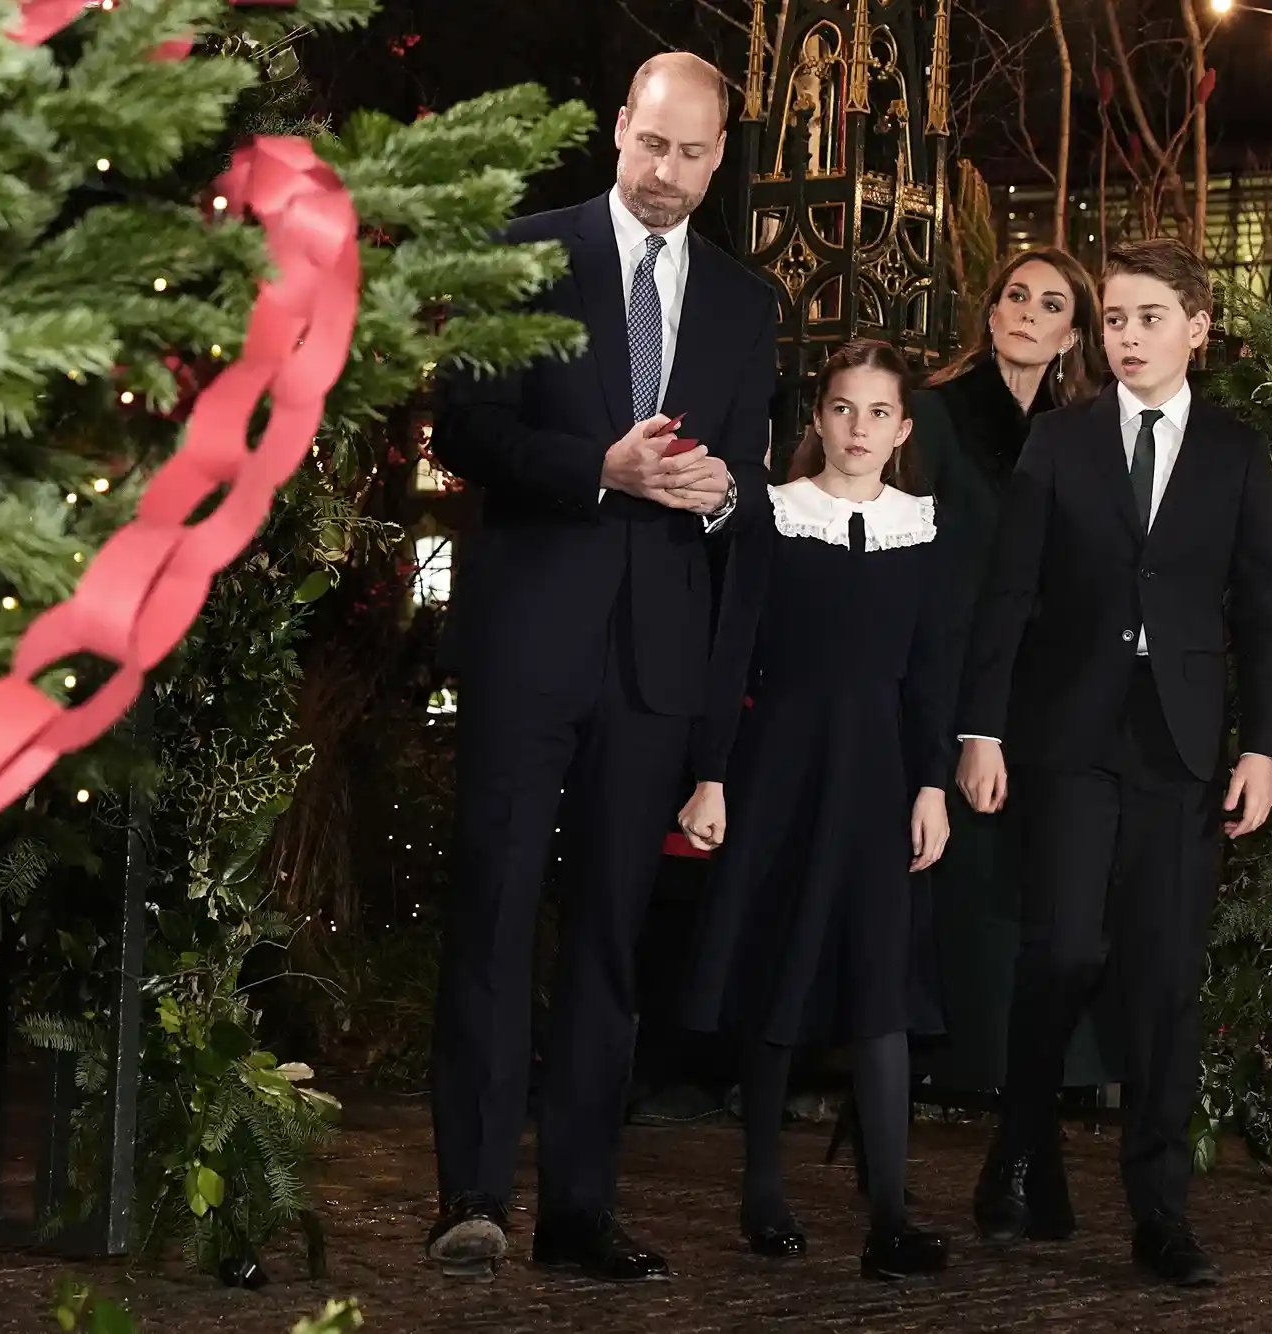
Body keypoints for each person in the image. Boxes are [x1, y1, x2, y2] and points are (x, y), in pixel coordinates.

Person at [423, 51, 777, 1282]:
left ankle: (577, 1205)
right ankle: (470, 1194)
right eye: (650, 145)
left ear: (719, 154)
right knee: (496, 912)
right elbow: (459, 426)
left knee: (613, 941)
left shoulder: (746, 303)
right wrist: (597, 469)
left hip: (653, 663)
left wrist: (725, 494)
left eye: (692, 154)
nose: (667, 173)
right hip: (528, 642)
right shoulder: (523, 251)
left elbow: (741, 495)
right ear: (618, 129)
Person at [956, 237, 1272, 1287]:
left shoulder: (1236, 454)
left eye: (1149, 317)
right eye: (1113, 320)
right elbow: (1006, 592)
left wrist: (1263, 745)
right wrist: (980, 728)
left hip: (1182, 745)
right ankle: (1017, 1148)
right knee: (1058, 950)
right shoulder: (1058, 442)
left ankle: (1160, 1211)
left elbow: (1263, 611)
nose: (1127, 335)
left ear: (1196, 327)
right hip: (1067, 735)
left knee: (1160, 979)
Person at [676, 339, 957, 1281]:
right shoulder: (772, 516)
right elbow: (730, 647)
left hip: (882, 779)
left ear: (903, 430)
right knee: (778, 974)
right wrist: (710, 773)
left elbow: (931, 675)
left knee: (881, 991)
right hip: (781, 772)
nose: (859, 429)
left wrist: (931, 786)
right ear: (819, 420)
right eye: (843, 409)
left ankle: (889, 1216)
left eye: (879, 414)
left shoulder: (923, 528)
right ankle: (764, 1194)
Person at [896, 247, 1104, 1228]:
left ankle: (1024, 1152)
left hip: (1054, 704)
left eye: (1048, 303)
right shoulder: (933, 413)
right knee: (972, 934)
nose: (1025, 311)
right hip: (952, 695)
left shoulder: (1075, 434)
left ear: (1071, 334)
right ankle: (1011, 1155)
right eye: (1013, 294)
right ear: (989, 311)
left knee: (1055, 932)